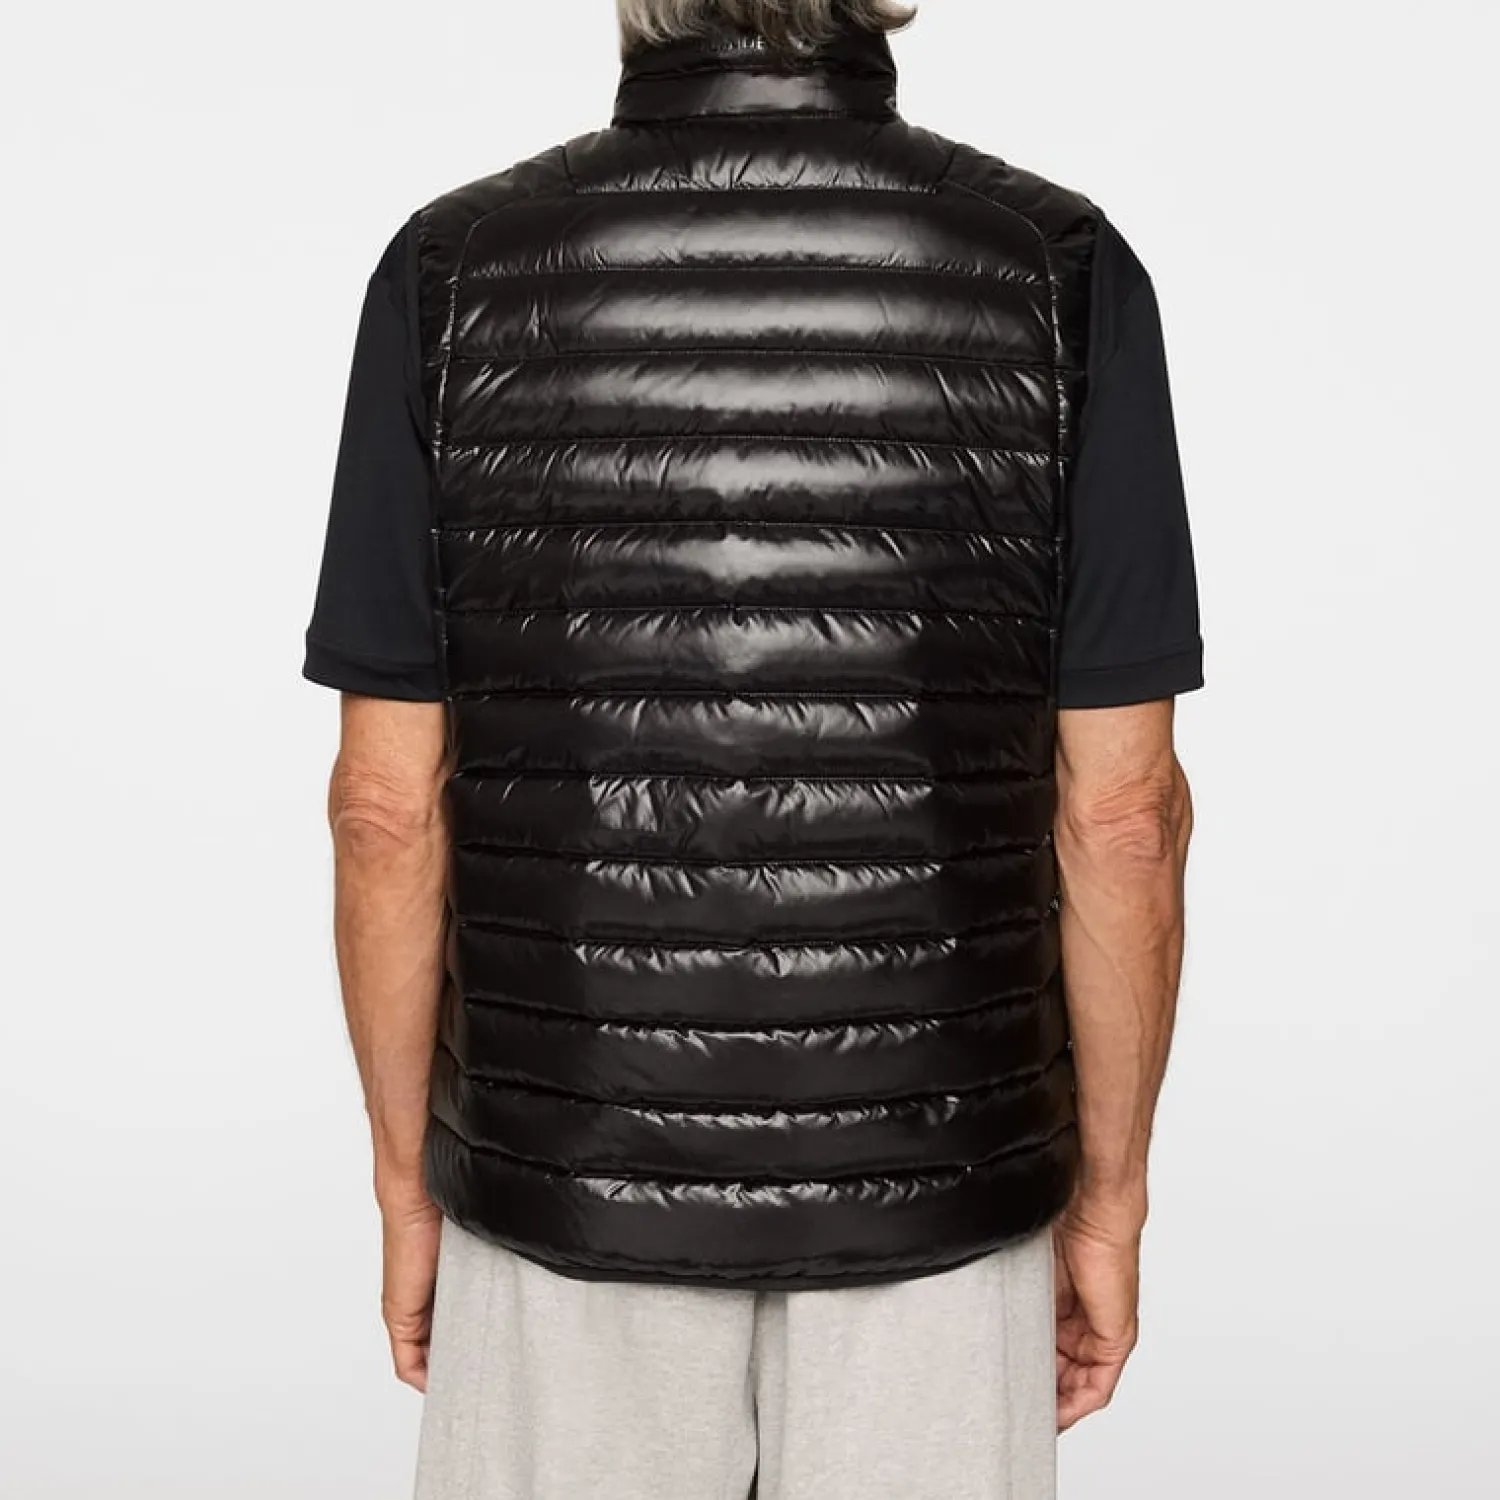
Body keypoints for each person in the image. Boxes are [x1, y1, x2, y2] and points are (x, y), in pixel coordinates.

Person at [303, 1, 1201, 1494]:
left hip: (565, 1182)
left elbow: (383, 809)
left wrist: (411, 1187)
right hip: (939, 1190)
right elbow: (1124, 818)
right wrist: (1110, 1200)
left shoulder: (451, 273)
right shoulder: (1060, 270)